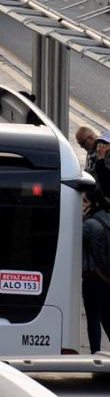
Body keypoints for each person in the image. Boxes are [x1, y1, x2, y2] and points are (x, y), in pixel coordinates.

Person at [82, 188, 110, 353]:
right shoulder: (107, 220)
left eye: (85, 201)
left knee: (93, 318)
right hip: (107, 277)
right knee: (106, 317)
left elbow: (71, 237)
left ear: (94, 203)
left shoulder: (89, 224)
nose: (82, 205)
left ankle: (95, 353)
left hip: (93, 277)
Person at [93, 133, 110, 199]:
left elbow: (105, 181)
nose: (101, 145)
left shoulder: (103, 158)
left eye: (104, 143)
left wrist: (101, 158)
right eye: (99, 142)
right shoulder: (96, 155)